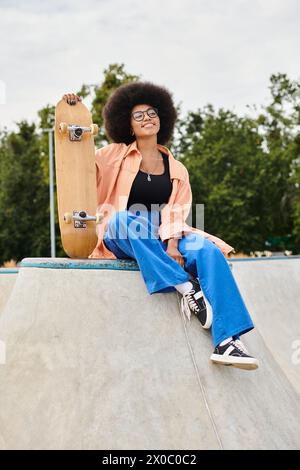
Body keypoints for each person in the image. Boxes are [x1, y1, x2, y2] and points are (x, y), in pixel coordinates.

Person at [62, 82, 259, 370]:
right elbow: (80, 169)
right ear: (127, 125)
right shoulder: (112, 155)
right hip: (123, 230)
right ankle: (186, 287)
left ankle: (228, 341)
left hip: (164, 230)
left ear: (161, 118)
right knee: (120, 220)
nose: (147, 119)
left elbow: (177, 211)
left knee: (207, 250)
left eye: (151, 113)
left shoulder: (176, 168)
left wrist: (172, 243)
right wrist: (72, 116)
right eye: (138, 115)